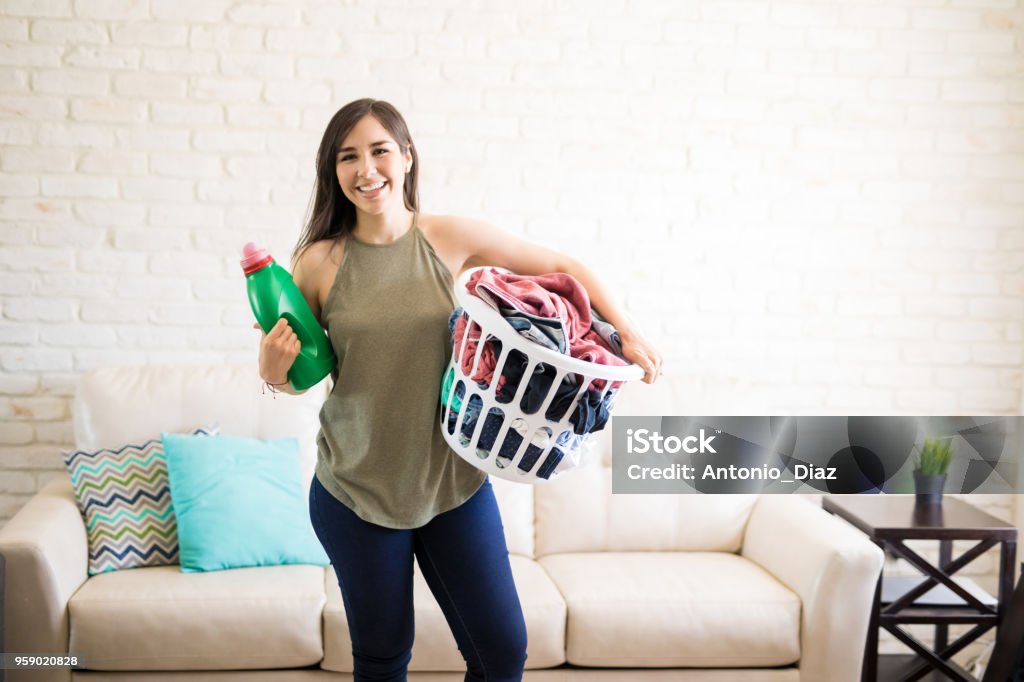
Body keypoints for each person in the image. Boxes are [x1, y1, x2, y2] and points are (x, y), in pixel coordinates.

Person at [255, 98, 663, 682]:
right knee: (383, 657)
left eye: (379, 151)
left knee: (501, 653)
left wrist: (626, 331)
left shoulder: (447, 237)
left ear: (406, 157)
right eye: (348, 157)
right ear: (333, 170)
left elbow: (563, 268)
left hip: (454, 484)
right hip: (356, 492)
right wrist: (273, 372)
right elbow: (302, 374)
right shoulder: (317, 263)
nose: (366, 169)